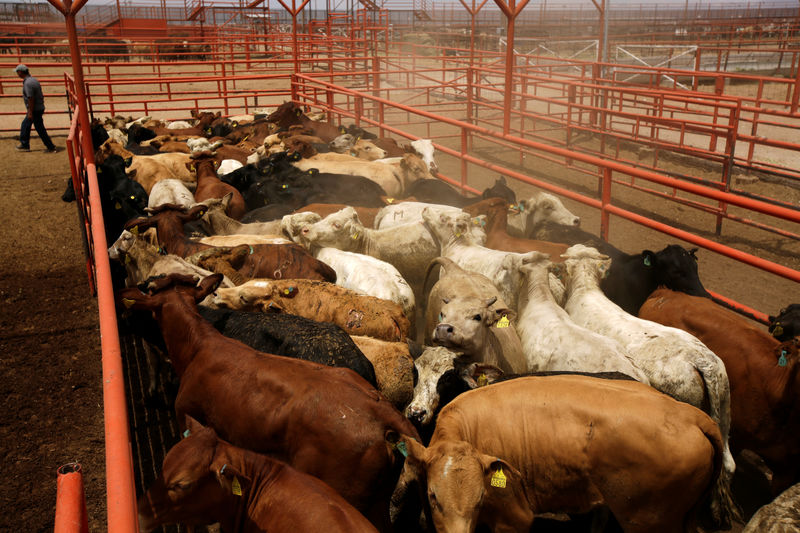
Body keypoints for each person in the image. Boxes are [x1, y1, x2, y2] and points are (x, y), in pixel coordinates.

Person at [15, 64, 57, 153]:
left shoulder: (27, 83)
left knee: (34, 127)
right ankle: (25, 144)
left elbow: (31, 98)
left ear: (20, 72)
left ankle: (50, 147)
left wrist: (30, 111)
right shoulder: (33, 80)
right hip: (38, 107)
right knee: (28, 126)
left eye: (17, 72)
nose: (17, 74)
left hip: (35, 109)